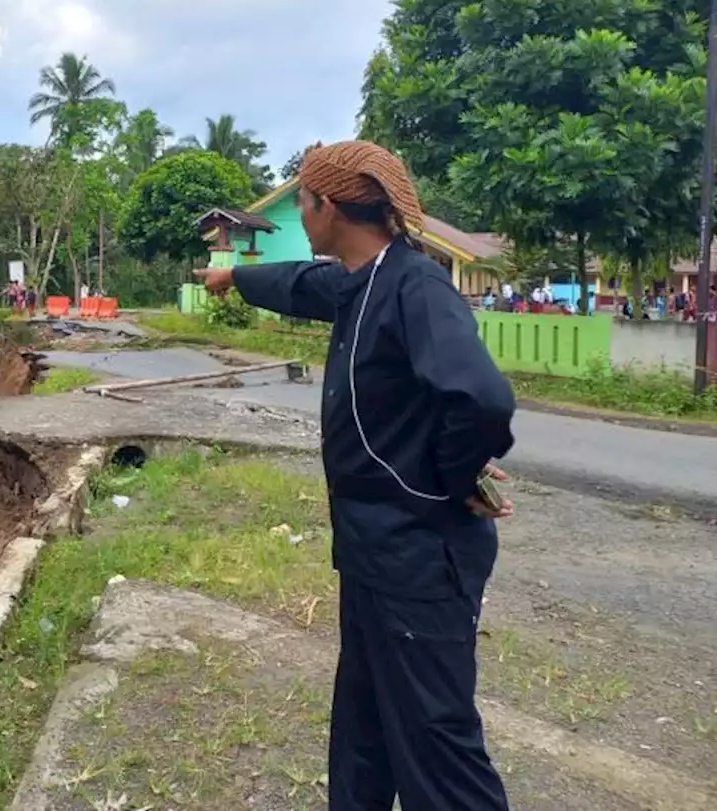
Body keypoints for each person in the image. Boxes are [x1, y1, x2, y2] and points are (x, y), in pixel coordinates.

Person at [194, 140, 514, 811]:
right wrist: (233, 279)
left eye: (304, 200)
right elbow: (299, 284)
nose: (301, 213)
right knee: (364, 738)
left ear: (328, 208)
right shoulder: (358, 280)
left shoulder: (415, 286)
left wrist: (451, 480)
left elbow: (481, 398)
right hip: (371, 559)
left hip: (419, 564)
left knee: (437, 755)